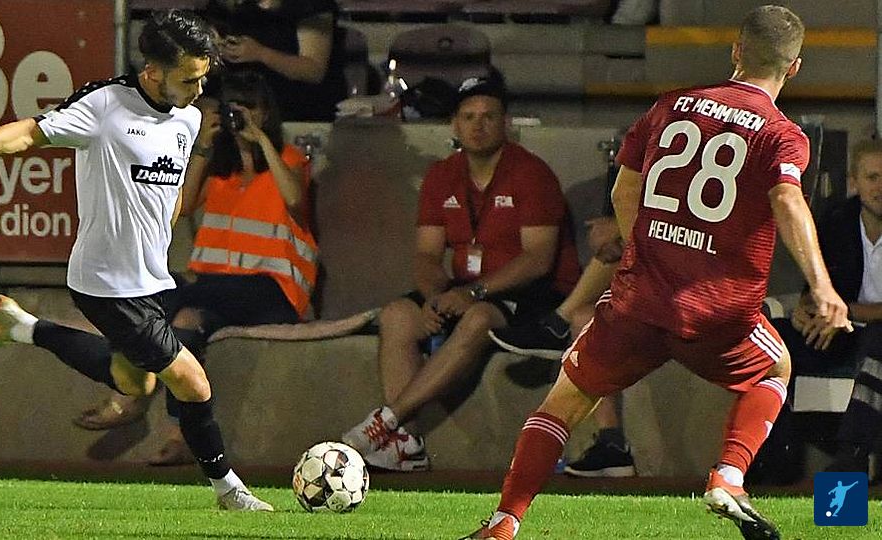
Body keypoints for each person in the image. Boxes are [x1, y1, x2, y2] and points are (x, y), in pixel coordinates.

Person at [461, 6, 853, 540]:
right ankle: (729, 476)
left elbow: (625, 189)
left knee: (563, 403)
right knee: (774, 368)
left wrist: (643, 254)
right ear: (795, 67)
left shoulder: (671, 105)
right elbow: (787, 198)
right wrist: (823, 286)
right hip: (716, 312)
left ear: (736, 51)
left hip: (639, 301)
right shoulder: (782, 134)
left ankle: (505, 522)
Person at [0, 10, 273, 511]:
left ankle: (26, 329)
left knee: (134, 382)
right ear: (153, 72)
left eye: (203, 78)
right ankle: (229, 490)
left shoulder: (188, 117)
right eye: (189, 79)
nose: (200, 89)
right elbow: (31, 132)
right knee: (193, 383)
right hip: (106, 284)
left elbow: (171, 192)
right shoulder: (105, 104)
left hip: (151, 281)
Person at [74, 70, 318, 466]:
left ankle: (129, 392)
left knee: (170, 290)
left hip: (273, 291)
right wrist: (204, 145)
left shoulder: (290, 160)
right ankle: (181, 434)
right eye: (234, 107)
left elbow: (293, 198)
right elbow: (183, 206)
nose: (242, 115)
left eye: (250, 107)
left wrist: (261, 141)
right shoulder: (221, 172)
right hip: (217, 291)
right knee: (184, 321)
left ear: (266, 113)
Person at [339, 75, 582, 472]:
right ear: (454, 124)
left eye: (488, 116)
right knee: (397, 315)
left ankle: (389, 418)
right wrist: (434, 298)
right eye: (468, 117)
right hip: (467, 287)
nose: (478, 125)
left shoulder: (531, 173)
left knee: (480, 317)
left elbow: (538, 260)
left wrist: (474, 293)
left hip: (533, 294)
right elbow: (426, 254)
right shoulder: (442, 174)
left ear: (505, 122)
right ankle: (408, 443)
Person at [490, 156, 637, 478]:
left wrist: (619, 229)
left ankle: (557, 322)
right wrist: (619, 234)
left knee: (771, 372)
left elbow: (677, 225)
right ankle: (612, 444)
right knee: (587, 318)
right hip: (648, 292)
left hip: (690, 299)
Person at [760, 138, 882, 478]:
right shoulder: (835, 221)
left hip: (871, 334)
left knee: (879, 339)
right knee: (776, 342)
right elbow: (813, 287)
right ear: (855, 183)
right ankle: (773, 464)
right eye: (872, 178)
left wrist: (843, 311)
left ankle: (851, 457)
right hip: (840, 332)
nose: (880, 187)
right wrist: (806, 310)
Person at [203, 0, 347, 121]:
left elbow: (313, 70)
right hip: (242, 108)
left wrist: (261, 53)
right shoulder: (230, 8)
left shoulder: (311, 5)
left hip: (300, 110)